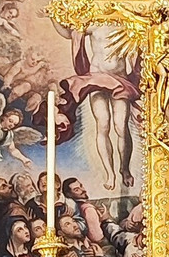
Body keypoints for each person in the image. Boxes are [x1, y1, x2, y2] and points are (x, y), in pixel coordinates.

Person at [50, 20, 140, 191]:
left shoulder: (127, 23)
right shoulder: (95, 24)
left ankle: (124, 168)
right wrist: (53, 19)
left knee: (121, 126)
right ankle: (110, 173)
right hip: (96, 78)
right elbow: (70, 34)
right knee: (103, 124)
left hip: (120, 79)